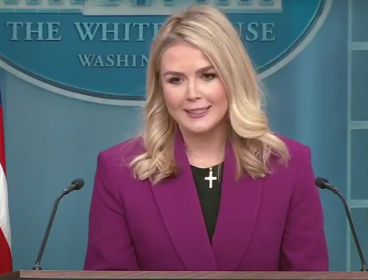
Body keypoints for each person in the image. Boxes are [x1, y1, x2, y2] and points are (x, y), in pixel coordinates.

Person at [83, 4, 329, 271]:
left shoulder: (288, 165)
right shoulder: (120, 170)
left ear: (233, 77)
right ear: (160, 88)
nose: (192, 94)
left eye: (207, 76)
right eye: (176, 80)